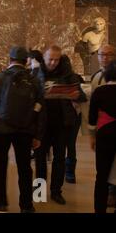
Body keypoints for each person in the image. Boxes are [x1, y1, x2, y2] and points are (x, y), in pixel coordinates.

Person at [0, 46, 45, 213]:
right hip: (25, 129)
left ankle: (0, 203)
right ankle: (26, 205)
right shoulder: (34, 81)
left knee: (0, 166)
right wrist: (38, 134)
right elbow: (40, 108)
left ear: (9, 60)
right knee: (25, 167)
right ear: (26, 62)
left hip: (1, 129)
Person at [35, 46, 87, 205]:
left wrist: (76, 95)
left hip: (62, 125)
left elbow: (82, 96)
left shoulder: (68, 75)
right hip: (41, 126)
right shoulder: (36, 75)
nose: (53, 62)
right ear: (44, 58)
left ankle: (56, 191)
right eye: (50, 59)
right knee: (39, 159)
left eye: (57, 59)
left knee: (59, 160)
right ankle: (39, 191)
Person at [89, 60, 116, 213]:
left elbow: (92, 119)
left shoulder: (99, 91)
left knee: (102, 175)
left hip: (105, 135)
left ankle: (99, 209)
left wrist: (92, 138)